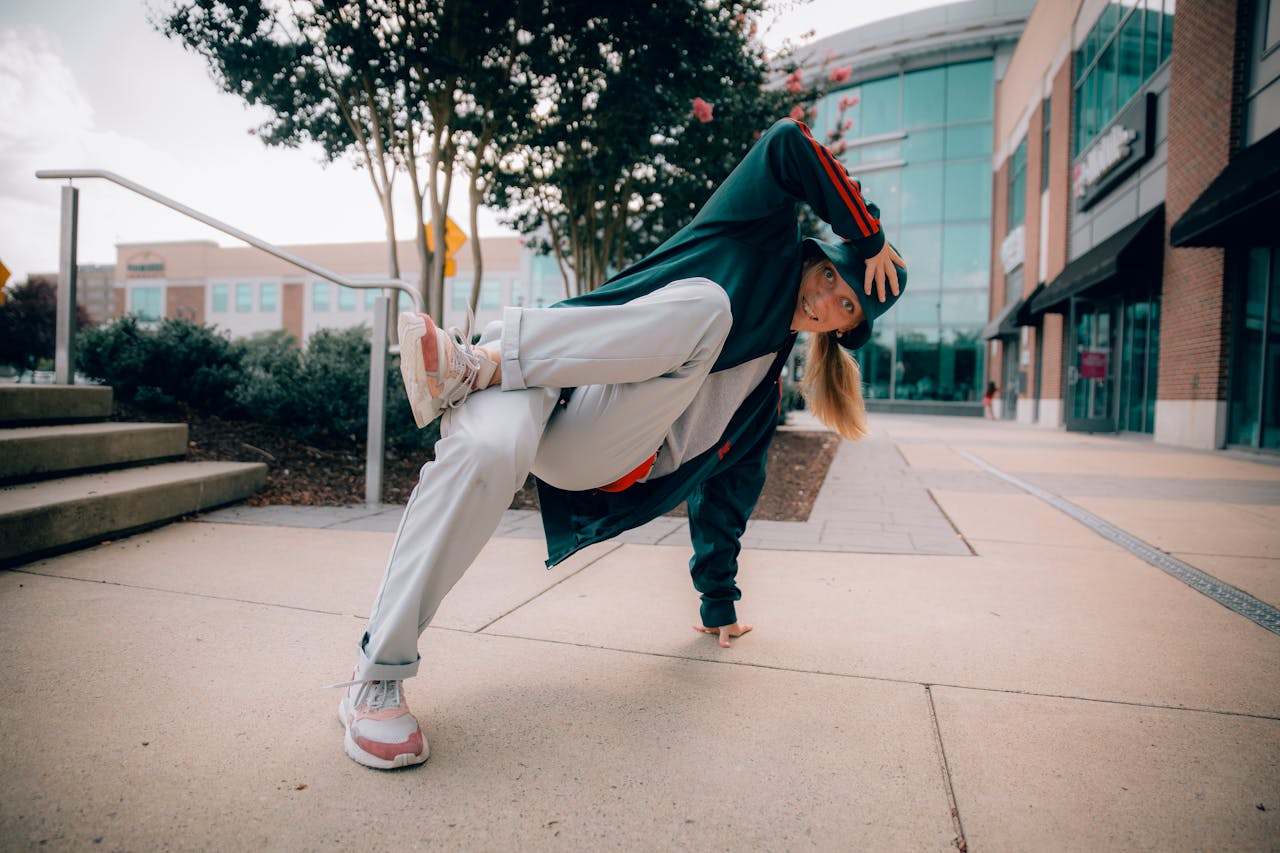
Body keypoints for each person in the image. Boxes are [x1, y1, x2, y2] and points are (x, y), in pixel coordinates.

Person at [335, 117, 907, 769]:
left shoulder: (760, 397)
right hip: (541, 369)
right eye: (835, 277)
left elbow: (729, 496)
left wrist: (718, 599)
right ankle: (375, 673)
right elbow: (786, 145)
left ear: (842, 332)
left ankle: (483, 362)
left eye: (848, 309)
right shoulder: (750, 234)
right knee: (485, 454)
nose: (830, 299)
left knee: (707, 314)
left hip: (597, 447)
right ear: (819, 253)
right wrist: (870, 235)